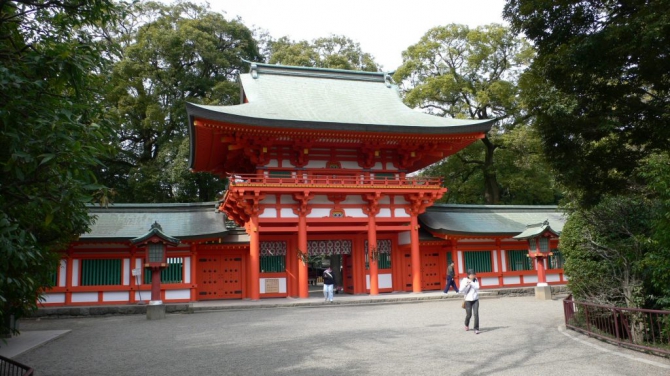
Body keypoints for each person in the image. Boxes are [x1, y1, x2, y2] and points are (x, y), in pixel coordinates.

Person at [460, 269, 480, 334]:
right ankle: (466, 324)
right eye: (471, 274)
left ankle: (476, 328)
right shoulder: (464, 280)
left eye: (474, 274)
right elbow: (461, 290)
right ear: (468, 275)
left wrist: (471, 282)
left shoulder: (476, 280)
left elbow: (477, 287)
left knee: (476, 314)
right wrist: (466, 285)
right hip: (468, 300)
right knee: (469, 314)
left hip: (475, 299)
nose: (473, 276)